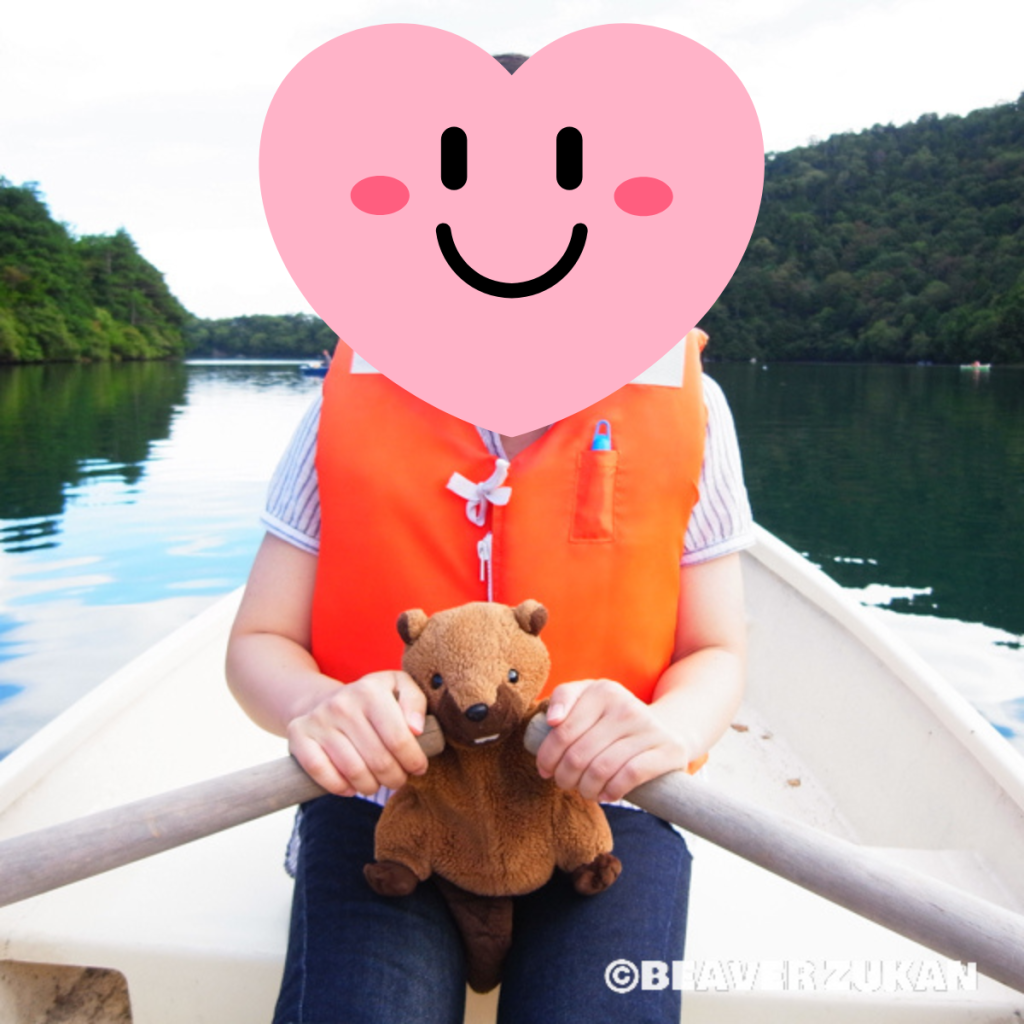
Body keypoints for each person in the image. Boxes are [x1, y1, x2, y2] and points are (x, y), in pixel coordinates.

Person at [227, 53, 754, 1024]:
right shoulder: (341, 408)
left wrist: (669, 734)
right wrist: (317, 706)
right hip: (391, 808)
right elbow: (259, 643)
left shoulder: (694, 409)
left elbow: (715, 650)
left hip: (604, 810)